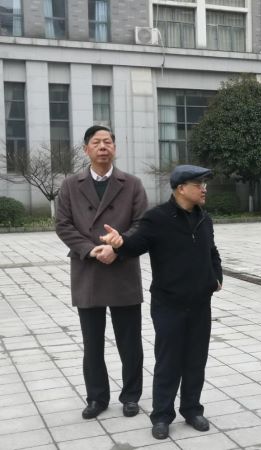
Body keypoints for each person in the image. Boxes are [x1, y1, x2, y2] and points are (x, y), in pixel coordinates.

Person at [99, 164, 222, 440]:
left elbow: (212, 252)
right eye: (199, 184)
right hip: (169, 304)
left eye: (205, 184)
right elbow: (135, 246)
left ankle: (192, 409)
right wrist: (119, 242)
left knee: (196, 360)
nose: (204, 189)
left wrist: (216, 276)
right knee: (168, 361)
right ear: (181, 188)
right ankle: (162, 415)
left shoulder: (204, 219)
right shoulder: (157, 218)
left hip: (200, 304)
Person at [55, 125, 147, 420]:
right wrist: (90, 249)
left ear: (115, 148)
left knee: (129, 341)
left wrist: (119, 246)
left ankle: (131, 396)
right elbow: (63, 224)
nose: (103, 146)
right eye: (96, 142)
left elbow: (142, 224)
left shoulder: (132, 184)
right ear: (86, 149)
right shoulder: (70, 185)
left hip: (122, 268)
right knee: (92, 342)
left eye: (108, 141)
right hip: (88, 269)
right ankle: (97, 397)